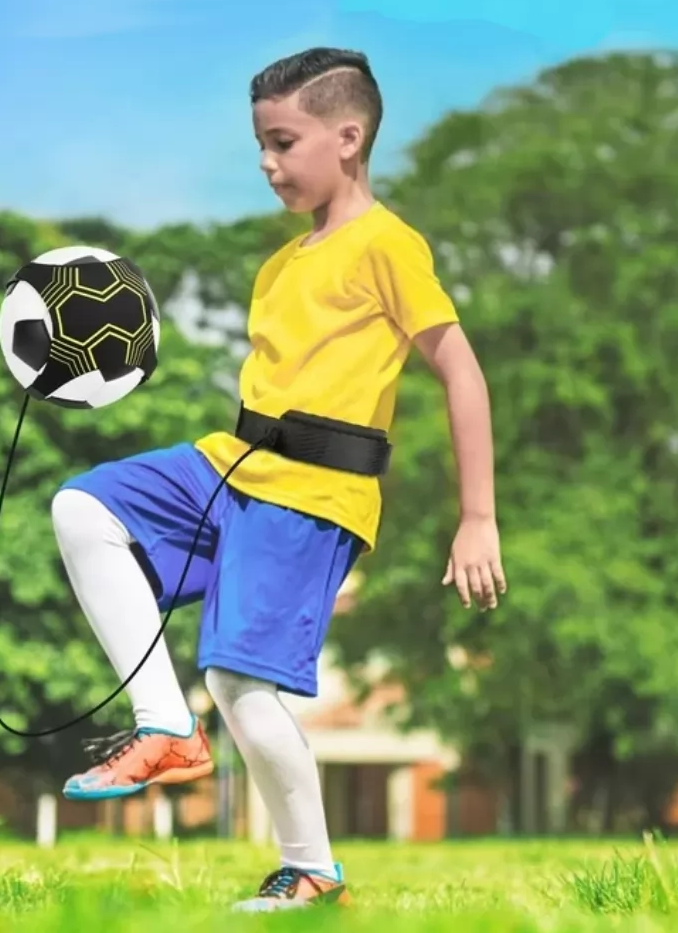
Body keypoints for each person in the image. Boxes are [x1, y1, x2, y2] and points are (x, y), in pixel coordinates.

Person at [51, 47, 505, 912]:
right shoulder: (282, 265)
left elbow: (463, 374)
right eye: (260, 143)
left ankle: (312, 869)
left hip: (314, 492)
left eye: (283, 142)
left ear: (348, 136)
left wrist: (476, 516)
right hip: (234, 467)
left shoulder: (388, 245)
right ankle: (166, 730)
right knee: (84, 506)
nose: (267, 162)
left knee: (238, 682)